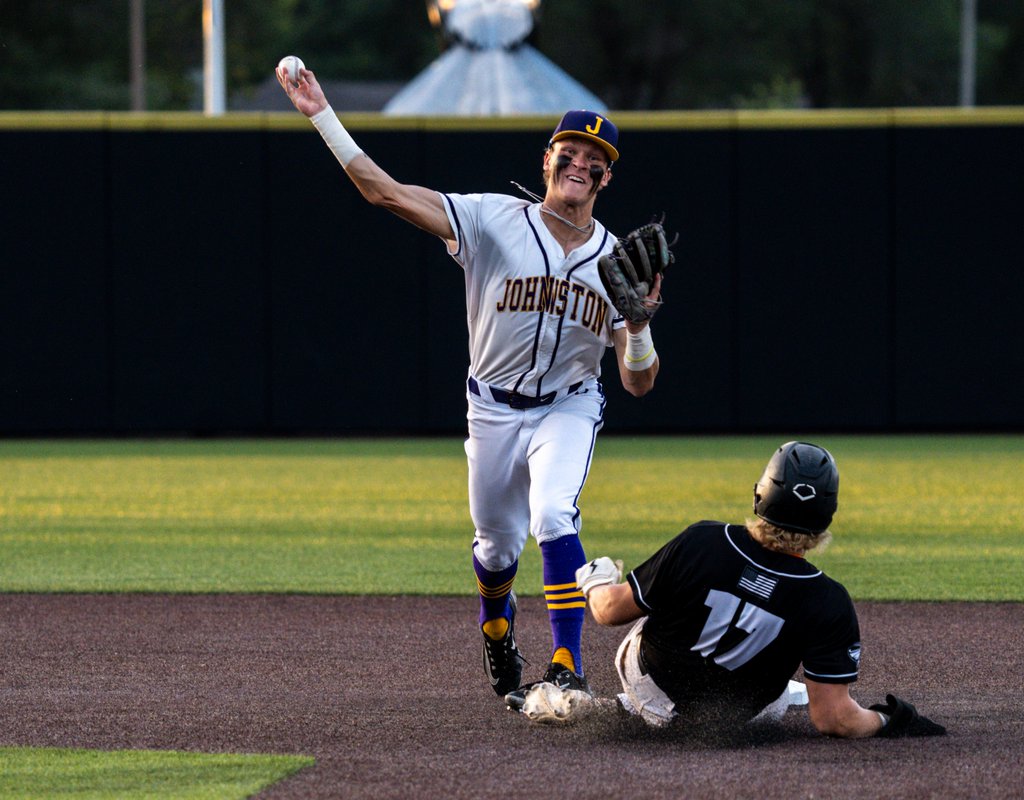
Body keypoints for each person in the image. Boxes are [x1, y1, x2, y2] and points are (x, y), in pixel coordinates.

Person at [277, 63, 663, 704]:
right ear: (548, 160)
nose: (580, 162)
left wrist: (640, 327)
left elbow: (638, 382)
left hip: (568, 406)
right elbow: (386, 193)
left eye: (595, 158)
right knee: (495, 547)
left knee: (552, 515)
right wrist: (323, 114)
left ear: (606, 177)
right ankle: (495, 626)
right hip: (490, 409)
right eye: (570, 151)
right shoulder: (490, 219)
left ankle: (566, 661)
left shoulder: (616, 261)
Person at [572, 441, 946, 737]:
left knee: (661, 604)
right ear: (826, 517)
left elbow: (609, 612)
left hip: (647, 684)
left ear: (761, 494)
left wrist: (595, 579)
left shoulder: (703, 540)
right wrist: (890, 720)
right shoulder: (828, 600)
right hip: (738, 720)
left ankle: (623, 707)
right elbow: (836, 719)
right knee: (782, 684)